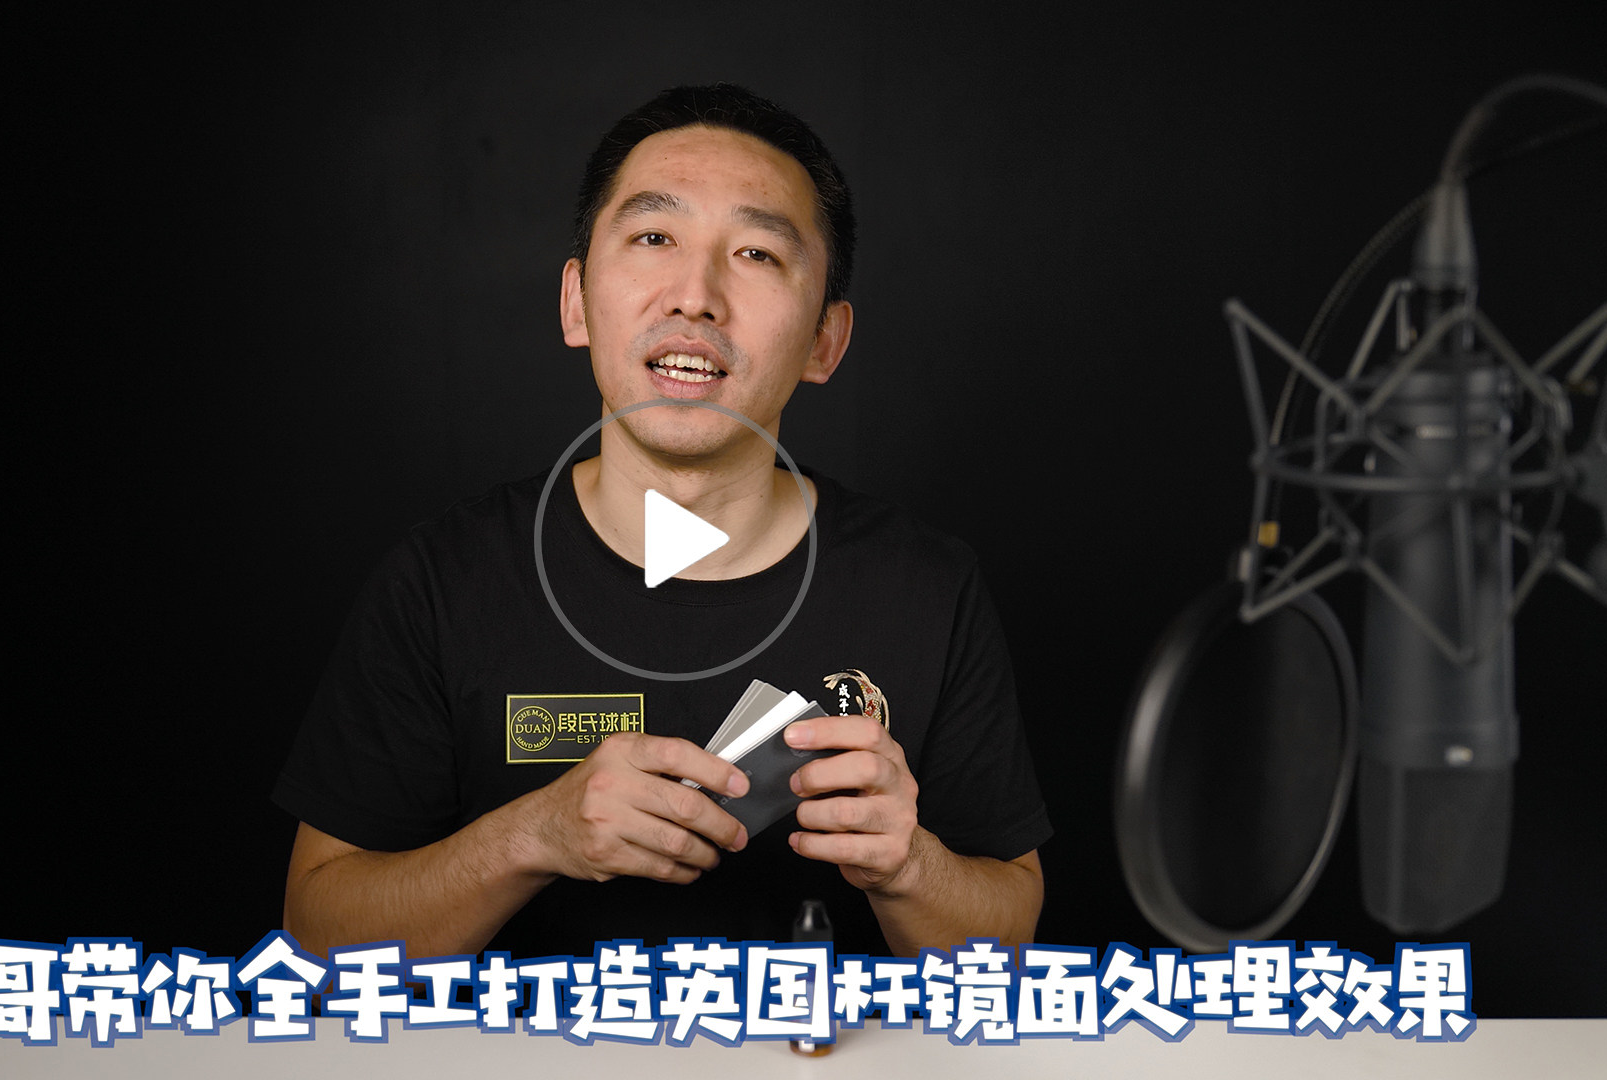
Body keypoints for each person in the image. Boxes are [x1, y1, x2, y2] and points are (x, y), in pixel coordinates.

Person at [275, 84, 1048, 962]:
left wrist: (910, 866)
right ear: (576, 301)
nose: (696, 296)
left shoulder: (926, 589)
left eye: (757, 253)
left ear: (825, 342)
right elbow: (315, 937)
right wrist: (533, 836)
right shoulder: (443, 582)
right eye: (653, 238)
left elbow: (1011, 940)